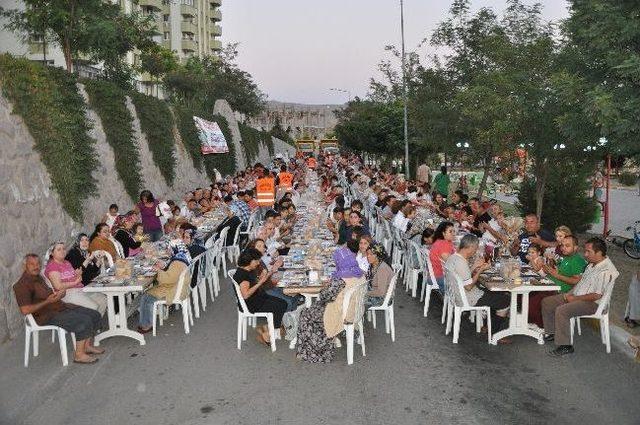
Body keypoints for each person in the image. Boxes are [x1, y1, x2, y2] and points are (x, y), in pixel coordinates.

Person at [14, 254, 104, 364]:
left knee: (94, 314)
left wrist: (59, 295)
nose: (36, 266)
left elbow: (49, 295)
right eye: (32, 264)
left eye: (38, 264)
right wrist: (48, 301)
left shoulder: (38, 278)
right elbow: (25, 310)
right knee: (84, 320)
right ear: (24, 266)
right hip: (46, 315)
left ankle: (86, 346)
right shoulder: (21, 285)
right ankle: (79, 355)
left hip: (59, 307)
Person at [542, 237, 619, 357]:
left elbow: (596, 295)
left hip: (594, 304)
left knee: (562, 310)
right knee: (547, 302)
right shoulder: (592, 264)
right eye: (585, 251)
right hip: (580, 297)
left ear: (599, 253)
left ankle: (565, 346)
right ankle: (552, 332)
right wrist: (570, 293)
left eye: (589, 252)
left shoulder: (605, 269)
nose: (585, 254)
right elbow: (580, 283)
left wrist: (574, 299)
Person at [296, 246, 365, 363]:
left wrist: (327, 285)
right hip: (355, 311)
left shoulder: (341, 279)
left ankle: (315, 353)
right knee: (315, 309)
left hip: (341, 313)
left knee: (305, 313)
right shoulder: (360, 273)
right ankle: (323, 344)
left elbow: (324, 296)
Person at [444, 234, 511, 343]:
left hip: (457, 294)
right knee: (505, 301)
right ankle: (494, 334)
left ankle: (487, 326)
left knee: (495, 294)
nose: (475, 251)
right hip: (468, 297)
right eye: (475, 249)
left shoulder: (454, 257)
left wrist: (474, 266)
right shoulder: (461, 262)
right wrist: (480, 270)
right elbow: (469, 286)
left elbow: (463, 278)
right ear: (470, 247)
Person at [527, 235, 587, 328]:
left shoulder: (577, 261)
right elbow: (558, 271)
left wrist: (556, 275)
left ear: (575, 247)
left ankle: (544, 327)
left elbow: (576, 281)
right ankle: (531, 321)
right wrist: (549, 270)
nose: (563, 248)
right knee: (525, 293)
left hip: (560, 291)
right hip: (549, 285)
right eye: (562, 245)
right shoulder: (566, 258)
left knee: (533, 300)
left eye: (567, 246)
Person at [233, 249, 288, 346]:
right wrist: (259, 283)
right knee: (279, 306)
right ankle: (268, 334)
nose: (258, 263)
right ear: (249, 261)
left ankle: (268, 328)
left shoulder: (247, 270)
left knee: (283, 303)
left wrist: (271, 271)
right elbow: (246, 295)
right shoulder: (243, 276)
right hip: (252, 304)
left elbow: (259, 281)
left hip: (258, 297)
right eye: (257, 261)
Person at [137, 241, 192, 334]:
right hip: (179, 287)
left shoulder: (178, 262)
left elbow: (167, 280)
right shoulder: (182, 257)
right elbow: (173, 274)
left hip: (173, 290)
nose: (168, 250)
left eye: (170, 249)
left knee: (146, 296)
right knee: (148, 292)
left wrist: (159, 270)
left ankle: (146, 325)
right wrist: (164, 266)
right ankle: (148, 319)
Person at [44, 242, 107, 314]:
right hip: (67, 293)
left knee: (103, 299)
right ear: (52, 253)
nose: (62, 251)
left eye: (64, 249)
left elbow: (74, 277)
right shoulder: (52, 266)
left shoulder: (67, 263)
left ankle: (95, 323)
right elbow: (58, 286)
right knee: (93, 307)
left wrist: (77, 274)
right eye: (59, 249)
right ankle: (89, 322)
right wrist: (75, 282)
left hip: (80, 289)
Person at [246, 239, 300, 312]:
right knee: (288, 302)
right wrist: (273, 270)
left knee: (295, 294)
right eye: (259, 246)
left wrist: (274, 268)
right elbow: (259, 281)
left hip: (269, 286)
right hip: (263, 291)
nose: (263, 248)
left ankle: (291, 316)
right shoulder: (252, 263)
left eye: (263, 246)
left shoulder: (259, 260)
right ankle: (285, 320)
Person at [365, 243, 395, 307]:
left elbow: (381, 292)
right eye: (367, 254)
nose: (368, 256)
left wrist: (365, 293)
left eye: (371, 254)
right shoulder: (374, 264)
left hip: (383, 298)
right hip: (376, 292)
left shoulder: (382, 269)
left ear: (378, 256)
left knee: (357, 301)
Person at [429, 221, 456, 292]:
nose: (453, 233)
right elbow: (451, 262)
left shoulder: (439, 241)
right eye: (450, 231)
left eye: (454, 231)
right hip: (439, 277)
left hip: (433, 273)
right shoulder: (444, 244)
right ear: (443, 233)